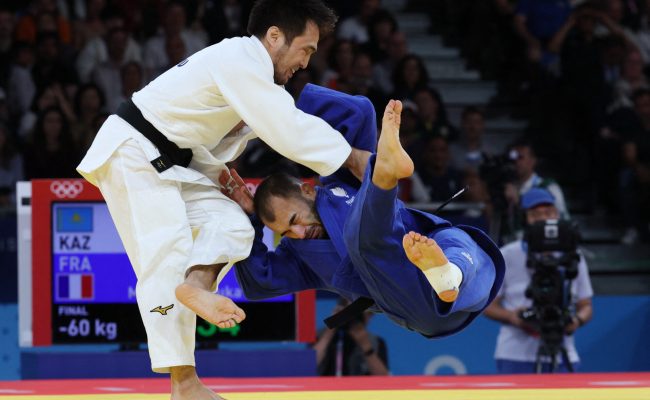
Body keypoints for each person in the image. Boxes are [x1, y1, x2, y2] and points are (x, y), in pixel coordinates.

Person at [75, 1, 370, 399]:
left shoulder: (253, 76)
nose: (306, 61)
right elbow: (286, 127)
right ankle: (184, 382)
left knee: (232, 222)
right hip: (133, 151)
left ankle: (198, 286)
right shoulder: (241, 59)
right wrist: (352, 156)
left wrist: (217, 172)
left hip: (180, 161)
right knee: (167, 252)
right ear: (275, 36)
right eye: (307, 48)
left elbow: (212, 131)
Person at [223, 84, 505, 340]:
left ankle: (447, 274)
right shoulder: (300, 256)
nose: (297, 233)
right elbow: (259, 283)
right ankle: (383, 171)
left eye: (294, 220)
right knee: (362, 240)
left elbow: (359, 111)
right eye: (285, 232)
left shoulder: (337, 180)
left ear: (307, 190)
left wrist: (276, 114)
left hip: (457, 286)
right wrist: (249, 221)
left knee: (454, 239)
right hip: (408, 300)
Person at [483, 188, 593, 374]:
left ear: (557, 215)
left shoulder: (573, 256)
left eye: (549, 212)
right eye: (536, 214)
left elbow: (586, 304)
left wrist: (576, 320)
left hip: (563, 351)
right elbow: (487, 306)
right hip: (515, 354)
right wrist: (512, 316)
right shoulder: (507, 255)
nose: (544, 219)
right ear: (525, 218)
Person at [314, 297, 389, 376]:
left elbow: (383, 376)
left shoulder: (376, 341)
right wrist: (329, 331)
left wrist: (366, 347)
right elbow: (308, 366)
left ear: (369, 316)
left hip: (360, 387)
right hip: (326, 386)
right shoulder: (320, 336)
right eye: (346, 313)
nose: (350, 318)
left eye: (357, 315)